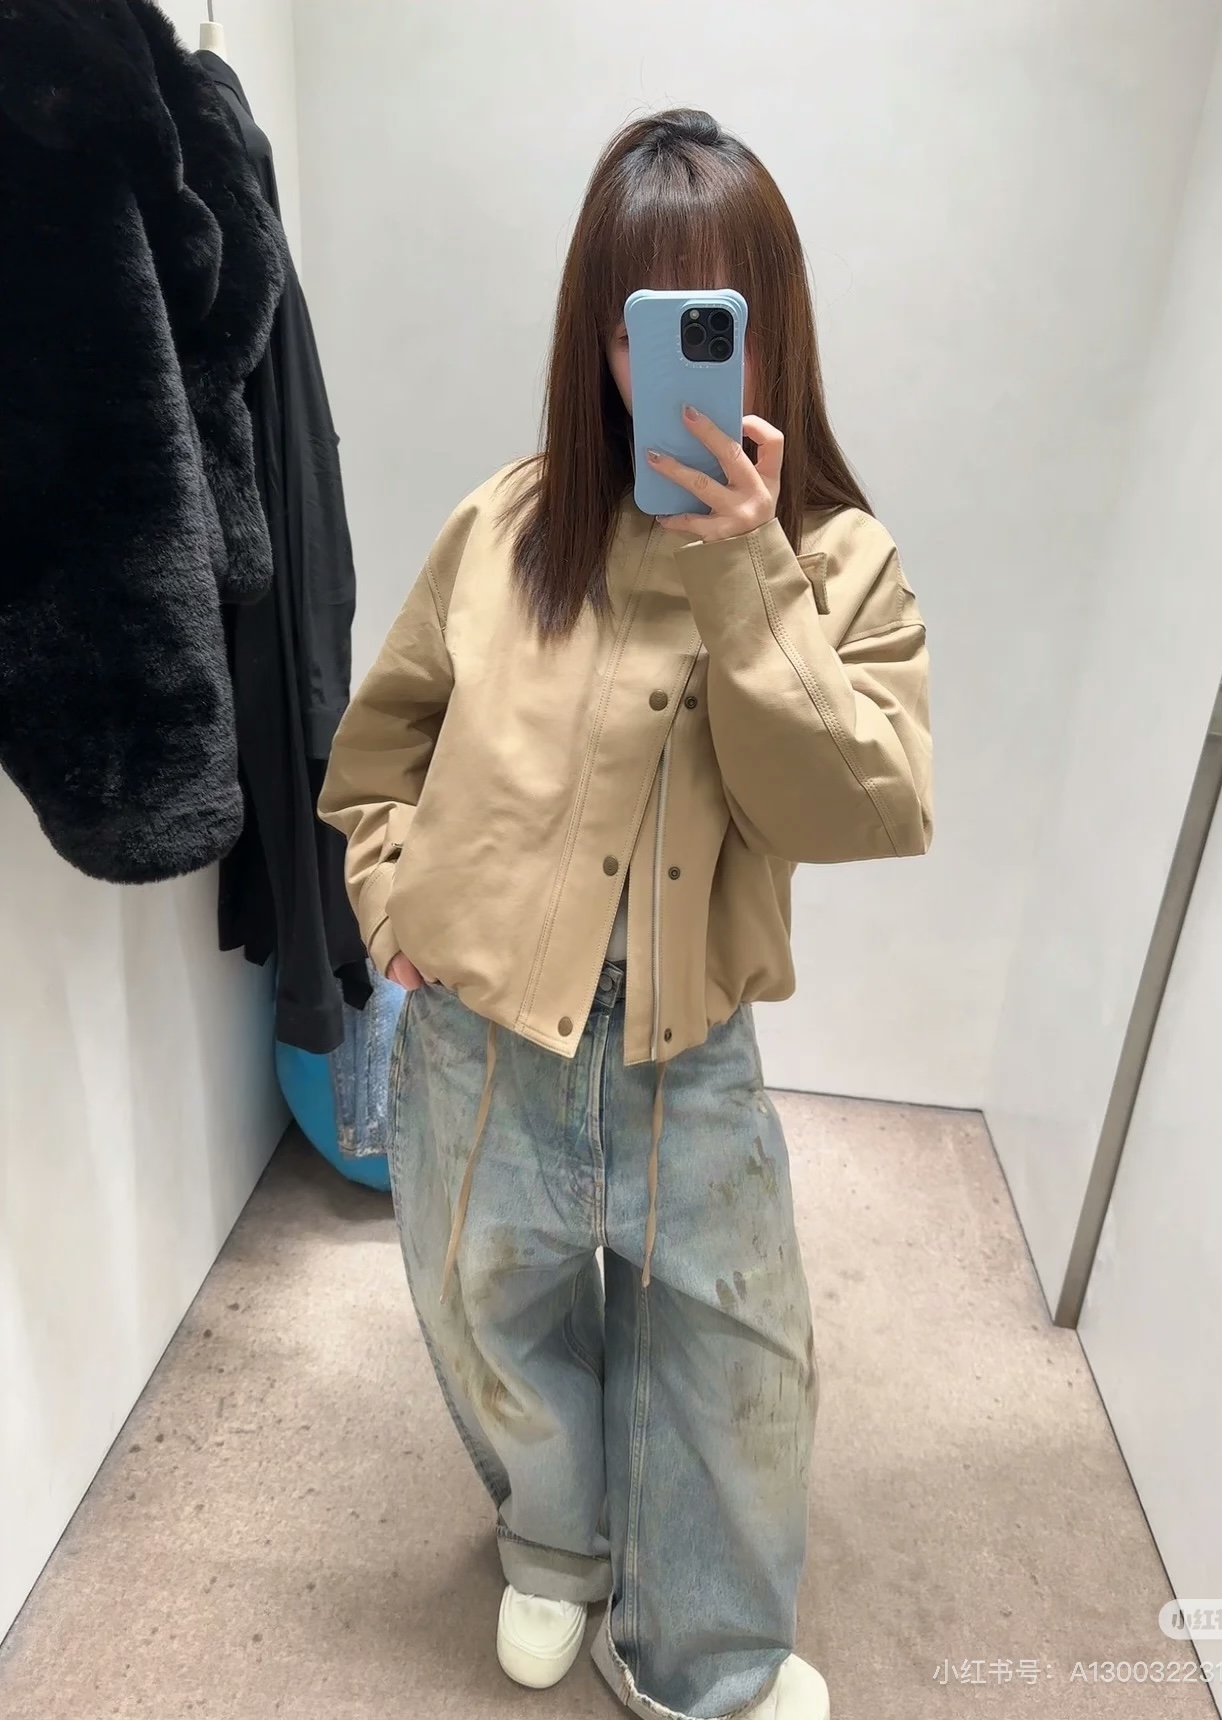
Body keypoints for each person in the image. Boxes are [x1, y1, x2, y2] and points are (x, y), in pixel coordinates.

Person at [319, 107, 932, 1720]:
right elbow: (378, 751)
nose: (664, 363)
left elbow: (866, 810)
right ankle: (553, 1550)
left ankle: (708, 1659)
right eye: (633, 322)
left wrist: (744, 575)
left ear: (771, 328)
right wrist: (390, 897)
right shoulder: (507, 525)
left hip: (686, 1050)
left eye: (715, 320)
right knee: (489, 1322)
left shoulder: (837, 564)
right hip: (474, 1036)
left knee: (733, 1363)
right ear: (594, 337)